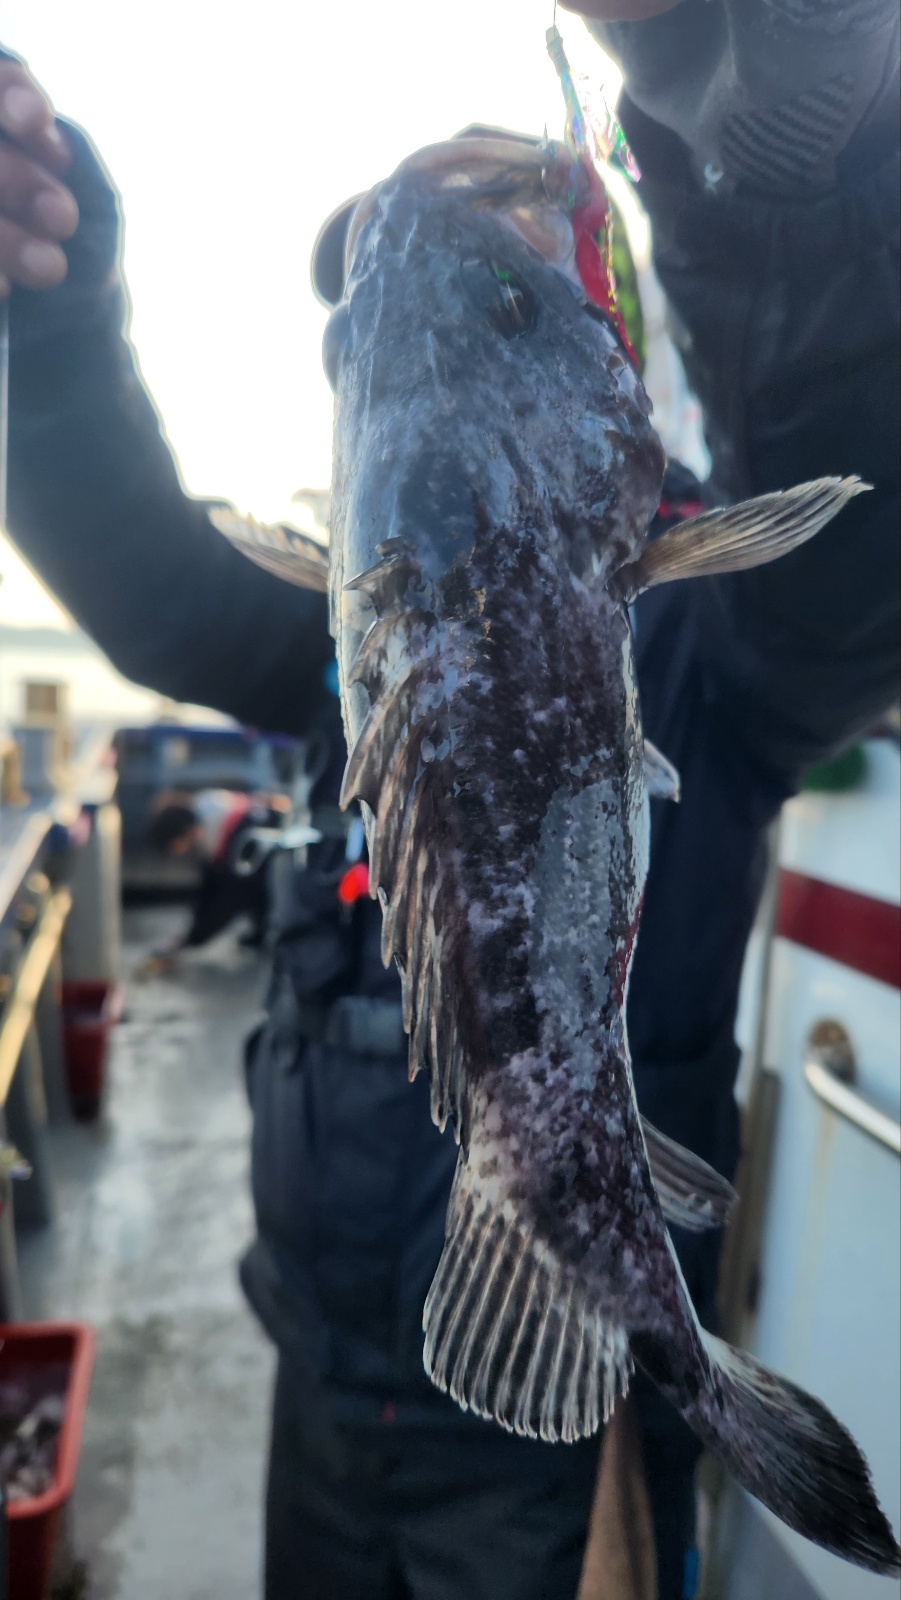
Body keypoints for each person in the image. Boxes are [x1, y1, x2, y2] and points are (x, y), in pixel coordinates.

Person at [0, 3, 897, 1592]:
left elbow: (860, 527)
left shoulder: (728, 643)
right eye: (359, 338)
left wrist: (766, 142)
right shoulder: (341, 639)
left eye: (497, 294)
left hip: (561, 1446)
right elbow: (145, 581)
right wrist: (48, 322)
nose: (408, 358)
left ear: (617, 348)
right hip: (319, 1370)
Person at [144, 787, 289, 967]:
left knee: (255, 891)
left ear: (190, 834)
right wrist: (188, 936)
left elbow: (226, 900)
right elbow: (210, 887)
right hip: (263, 850)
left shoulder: (234, 840)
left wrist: (191, 939)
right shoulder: (207, 807)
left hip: (278, 865)